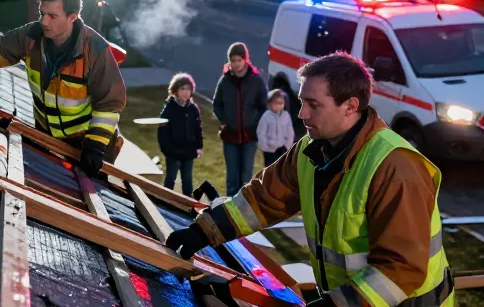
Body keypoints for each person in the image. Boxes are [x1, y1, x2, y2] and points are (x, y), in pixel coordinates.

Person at [166, 52, 455, 307]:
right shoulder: (311, 148)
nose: (301, 113)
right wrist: (203, 232)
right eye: (301, 101)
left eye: (313, 105)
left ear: (350, 106)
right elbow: (262, 199)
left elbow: (401, 268)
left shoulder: (396, 168)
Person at [0, 0, 126, 177]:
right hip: (50, 141)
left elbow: (109, 104)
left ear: (72, 17)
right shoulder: (32, 36)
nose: (44, 22)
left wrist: (95, 146)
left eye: (52, 16)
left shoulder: (95, 51)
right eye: (42, 14)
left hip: (89, 146)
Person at [212, 42, 268, 196]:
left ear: (245, 60)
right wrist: (226, 120)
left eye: (239, 60)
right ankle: (230, 208)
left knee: (246, 174)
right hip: (230, 135)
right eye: (233, 60)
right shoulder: (225, 81)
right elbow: (217, 105)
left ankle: (243, 207)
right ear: (229, 61)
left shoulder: (256, 80)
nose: (236, 64)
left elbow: (263, 105)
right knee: (232, 175)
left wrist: (254, 122)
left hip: (249, 135)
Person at [157, 73, 203, 196]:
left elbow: (198, 129)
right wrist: (168, 149)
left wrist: (198, 146)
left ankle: (188, 205)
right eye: (182, 89)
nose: (185, 92)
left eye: (188, 89)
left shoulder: (193, 109)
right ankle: (165, 200)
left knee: (187, 180)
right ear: (175, 90)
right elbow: (162, 133)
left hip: (189, 151)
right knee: (170, 178)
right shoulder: (169, 109)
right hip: (173, 152)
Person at [257, 88, 295, 168]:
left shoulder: (286, 116)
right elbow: (261, 133)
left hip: (283, 150)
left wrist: (287, 146)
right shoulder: (266, 116)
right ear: (270, 104)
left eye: (281, 103)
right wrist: (266, 148)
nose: (279, 105)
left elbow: (290, 133)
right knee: (270, 171)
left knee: (281, 171)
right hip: (270, 151)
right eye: (276, 103)